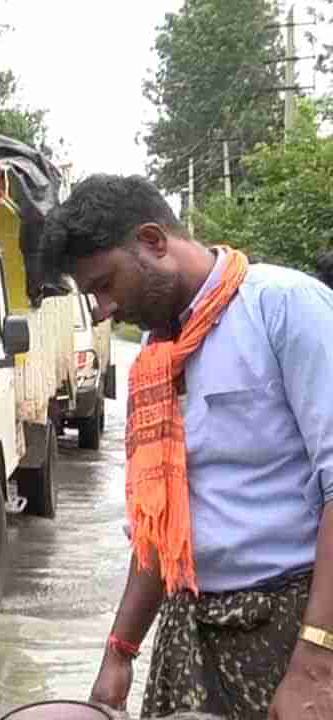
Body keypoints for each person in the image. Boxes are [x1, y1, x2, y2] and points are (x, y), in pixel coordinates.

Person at [42, 174, 333, 719]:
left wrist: (318, 664)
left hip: (296, 627)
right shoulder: (155, 363)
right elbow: (163, 527)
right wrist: (119, 652)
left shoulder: (286, 308)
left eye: (105, 284)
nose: (103, 310)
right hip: (189, 632)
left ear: (153, 242)